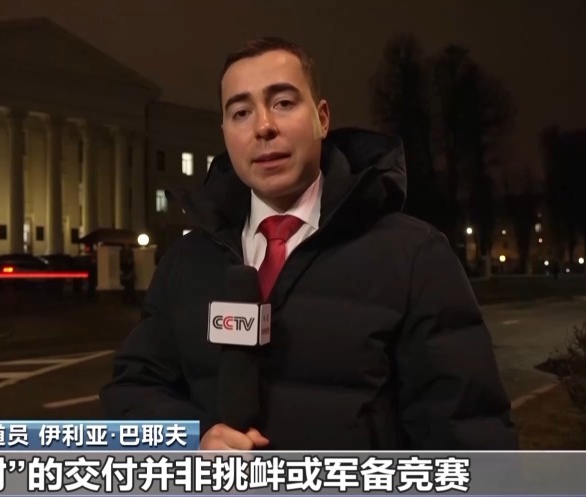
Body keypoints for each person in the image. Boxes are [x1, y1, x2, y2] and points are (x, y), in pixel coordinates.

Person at [100, 36, 517, 450]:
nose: (264, 126)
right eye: (241, 112)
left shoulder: (413, 257)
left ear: (322, 118)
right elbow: (132, 393)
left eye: (283, 103)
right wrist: (195, 438)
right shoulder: (186, 262)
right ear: (225, 133)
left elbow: (470, 439)